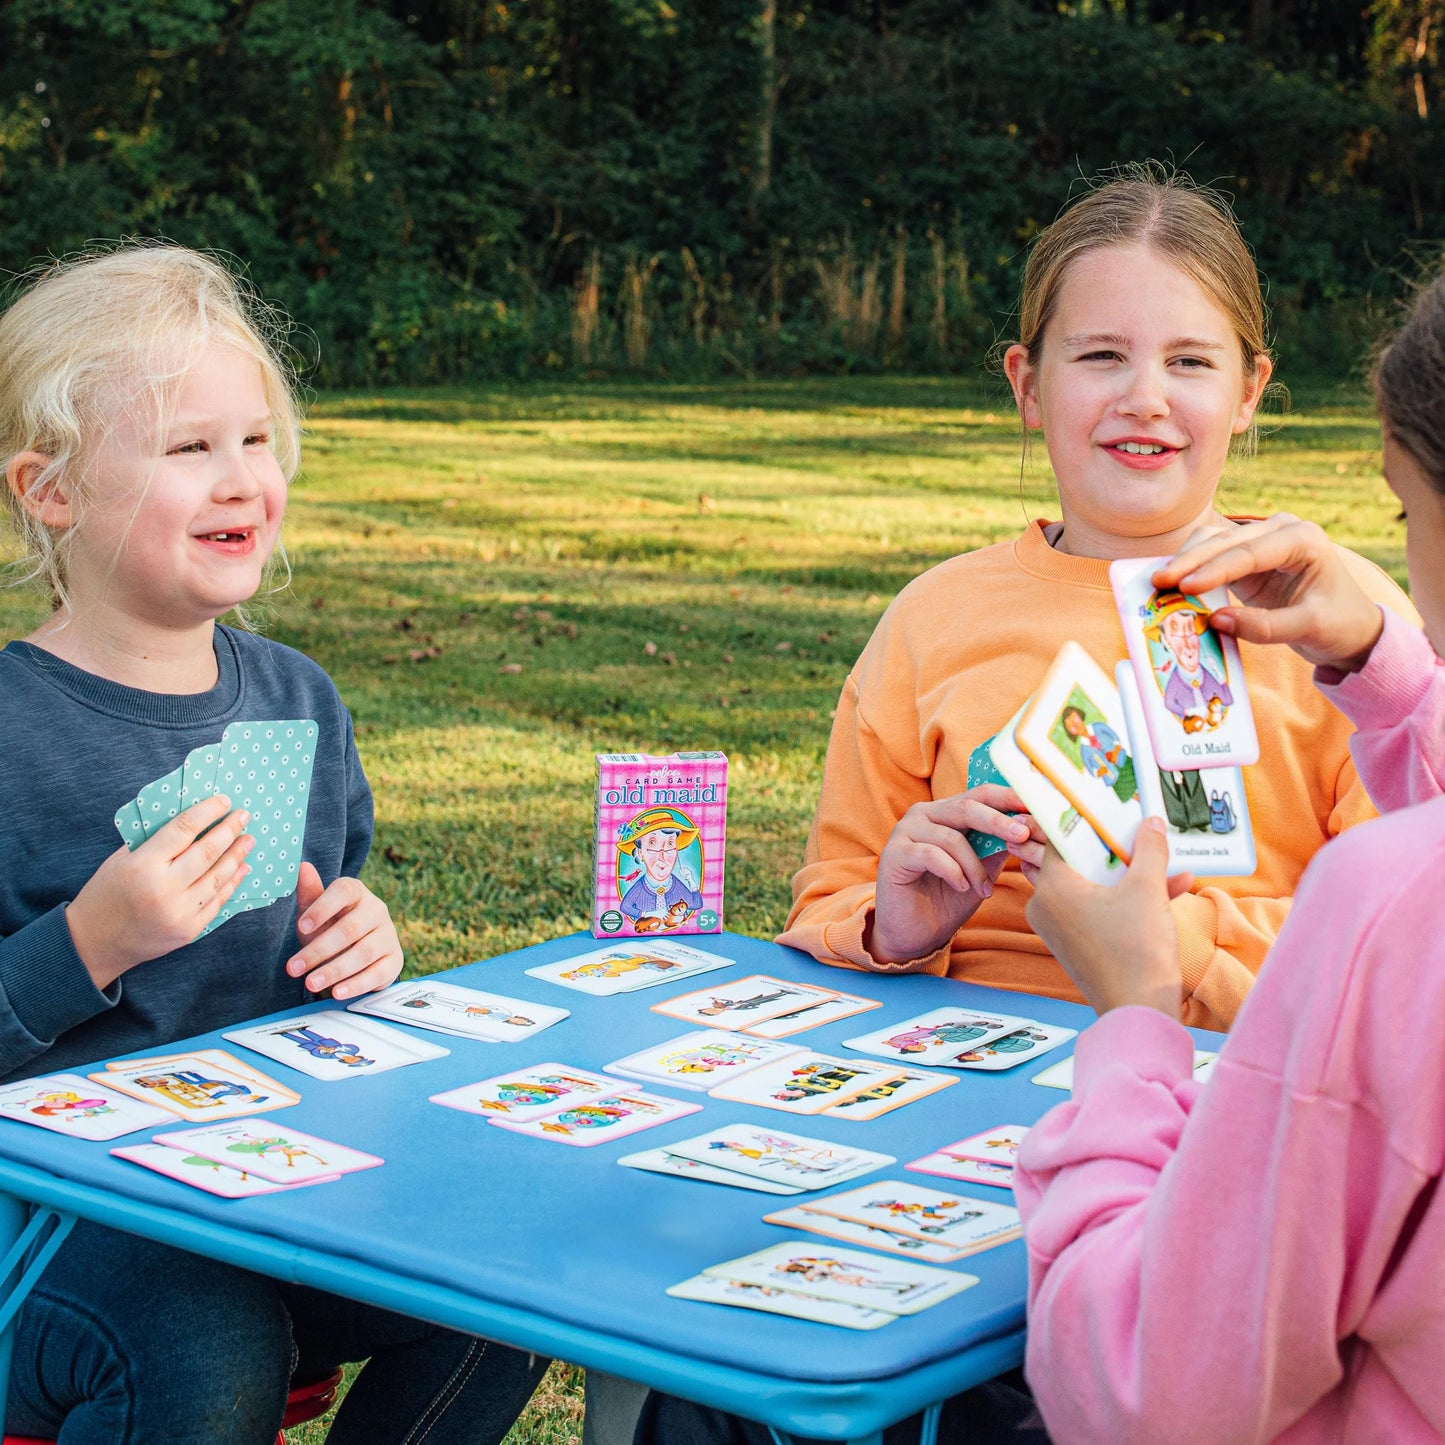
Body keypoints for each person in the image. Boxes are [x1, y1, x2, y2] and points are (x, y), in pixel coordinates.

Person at [0, 244, 548, 1443]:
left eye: (256, 439)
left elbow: (317, 915)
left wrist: (356, 938)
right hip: (43, 1218)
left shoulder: (296, 697)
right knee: (205, 1341)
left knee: (512, 1267)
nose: (243, 477)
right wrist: (88, 940)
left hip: (258, 1171)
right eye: (189, 448)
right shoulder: (9, 729)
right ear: (50, 490)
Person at [777, 168, 1415, 1032]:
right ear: (1029, 386)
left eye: (1188, 361)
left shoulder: (1339, 623)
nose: (1143, 398)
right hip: (948, 1057)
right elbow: (828, 895)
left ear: (1247, 393)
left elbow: (1402, 943)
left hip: (1230, 1067)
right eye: (1100, 355)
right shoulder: (931, 618)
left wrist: (1171, 943)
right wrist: (889, 927)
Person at [1012, 271, 1445, 1442]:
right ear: (1029, 382)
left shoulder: (1385, 904)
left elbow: (1146, 1388)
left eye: (1402, 517)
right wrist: (1389, 667)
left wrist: (1134, 1010)